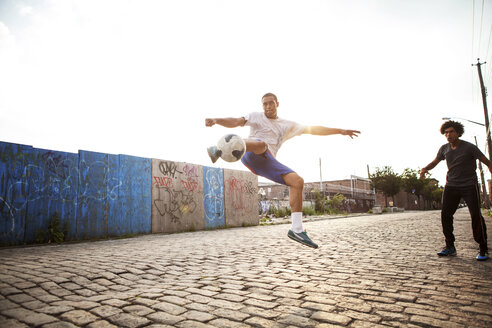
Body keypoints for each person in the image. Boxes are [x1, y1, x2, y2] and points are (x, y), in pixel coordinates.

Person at [205, 93, 360, 249]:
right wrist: (217, 120)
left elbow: (313, 130)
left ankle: (297, 229)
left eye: (270, 103)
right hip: (250, 153)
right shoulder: (255, 117)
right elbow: (237, 121)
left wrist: (340, 131)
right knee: (262, 144)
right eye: (264, 104)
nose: (267, 107)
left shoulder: (287, 125)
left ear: (277, 104)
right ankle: (218, 149)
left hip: (266, 162)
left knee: (297, 181)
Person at [420, 120, 490, 261]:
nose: (448, 134)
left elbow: (487, 162)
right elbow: (435, 162)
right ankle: (450, 247)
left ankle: (483, 248)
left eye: (451, 131)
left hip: (469, 185)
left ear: (458, 132)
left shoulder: (470, 147)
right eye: (446, 132)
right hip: (451, 185)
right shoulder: (444, 148)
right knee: (445, 214)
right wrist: (425, 168)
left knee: (475, 215)